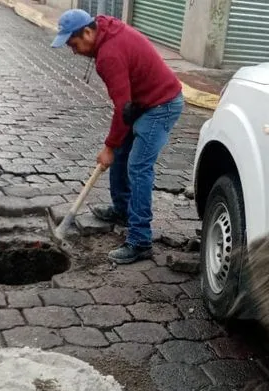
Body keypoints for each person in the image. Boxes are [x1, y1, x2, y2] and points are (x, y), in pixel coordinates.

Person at [51, 8, 184, 264]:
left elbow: (122, 109)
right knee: (122, 151)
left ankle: (140, 240)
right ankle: (123, 209)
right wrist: (114, 145)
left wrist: (109, 147)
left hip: (161, 104)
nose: (73, 50)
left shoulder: (109, 55)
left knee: (138, 166)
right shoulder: (104, 32)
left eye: (74, 43)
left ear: (88, 32)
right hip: (142, 103)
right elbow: (125, 108)